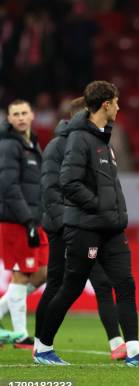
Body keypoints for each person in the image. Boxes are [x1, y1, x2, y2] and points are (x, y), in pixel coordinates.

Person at [35, 81, 139, 367]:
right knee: (71, 286)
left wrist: (114, 212)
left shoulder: (103, 139)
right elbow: (68, 182)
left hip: (111, 228)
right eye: (117, 102)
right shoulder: (79, 139)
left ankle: (133, 351)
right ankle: (43, 347)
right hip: (85, 228)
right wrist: (97, 205)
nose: (120, 107)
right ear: (105, 104)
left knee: (125, 283)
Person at [0, 99, 48, 349]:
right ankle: (20, 335)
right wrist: (27, 218)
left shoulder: (31, 145)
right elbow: (8, 186)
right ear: (9, 119)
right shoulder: (9, 145)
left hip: (33, 219)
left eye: (23, 113)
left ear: (32, 116)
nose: (19, 117)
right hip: (16, 220)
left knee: (42, 273)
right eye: (15, 114)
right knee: (21, 274)